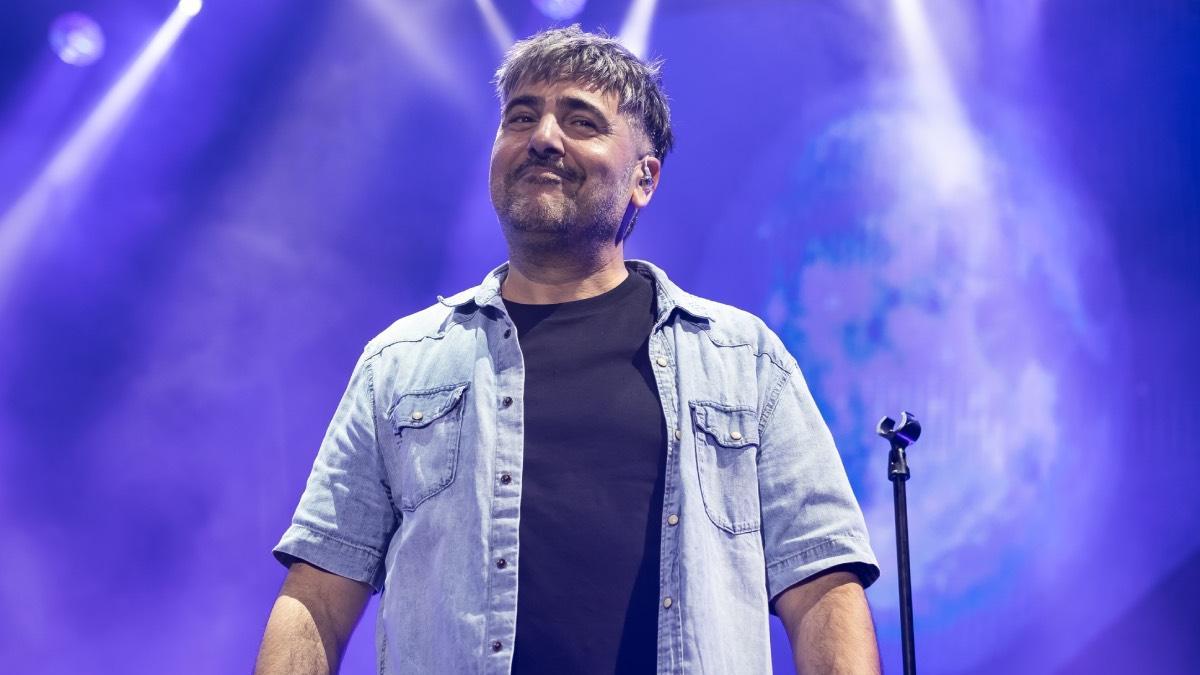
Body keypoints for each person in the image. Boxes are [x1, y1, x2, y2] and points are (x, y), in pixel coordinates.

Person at [254, 25, 881, 675]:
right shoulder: (399, 363)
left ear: (644, 178)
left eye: (581, 121)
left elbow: (821, 586)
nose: (543, 137)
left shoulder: (742, 359)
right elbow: (317, 596)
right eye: (521, 117)